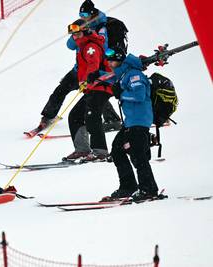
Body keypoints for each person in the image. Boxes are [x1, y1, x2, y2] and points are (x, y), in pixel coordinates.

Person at [38, 0, 121, 132]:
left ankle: (113, 119)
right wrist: (77, 33)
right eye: (81, 14)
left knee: (95, 94)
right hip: (79, 69)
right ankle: (48, 116)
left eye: (85, 14)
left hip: (95, 70)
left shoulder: (101, 27)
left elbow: (102, 47)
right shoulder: (81, 25)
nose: (82, 16)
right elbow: (70, 46)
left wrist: (89, 34)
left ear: (92, 13)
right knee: (62, 89)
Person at [106, 47, 160, 201]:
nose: (109, 63)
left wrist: (121, 93)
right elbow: (109, 79)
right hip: (130, 122)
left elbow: (139, 95)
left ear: (120, 60)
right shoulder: (123, 74)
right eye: (108, 61)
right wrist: (95, 76)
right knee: (117, 150)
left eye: (112, 60)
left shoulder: (134, 74)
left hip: (140, 121)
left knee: (138, 155)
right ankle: (128, 186)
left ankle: (149, 189)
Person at [63, 19, 113, 161]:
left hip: (101, 86)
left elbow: (94, 66)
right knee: (75, 116)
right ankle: (82, 150)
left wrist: (87, 80)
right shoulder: (83, 46)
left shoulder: (91, 46)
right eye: (73, 35)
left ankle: (100, 152)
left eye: (78, 34)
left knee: (92, 116)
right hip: (92, 87)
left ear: (85, 32)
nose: (75, 37)